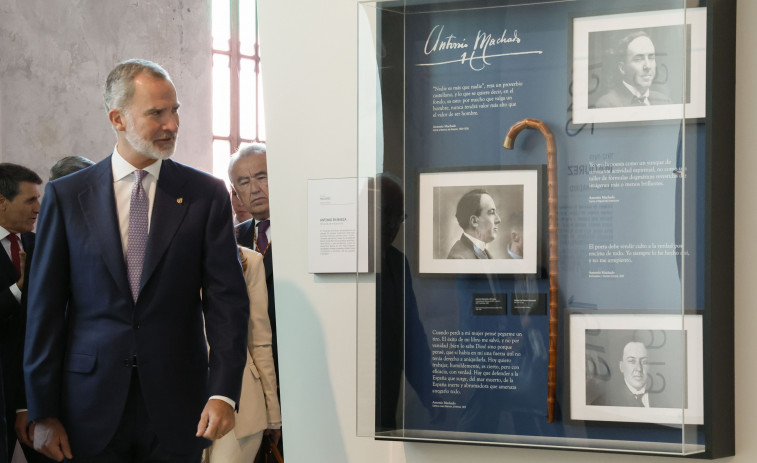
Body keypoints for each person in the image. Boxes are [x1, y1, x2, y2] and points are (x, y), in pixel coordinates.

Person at [23, 59, 250, 462]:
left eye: (175, 110)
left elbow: (227, 303)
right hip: (86, 407)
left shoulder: (205, 195)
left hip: (180, 406)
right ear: (118, 118)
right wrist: (41, 411)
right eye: (157, 113)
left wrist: (223, 392)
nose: (172, 125)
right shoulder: (67, 197)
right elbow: (44, 310)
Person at [204, 246, 281, 462]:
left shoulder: (250, 260)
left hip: (242, 401)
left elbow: (259, 341)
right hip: (180, 395)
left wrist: (273, 415)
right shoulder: (162, 256)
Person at [0, 163, 51, 463]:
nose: (38, 208)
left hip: (37, 391)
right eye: (30, 200)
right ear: (2, 201)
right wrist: (20, 288)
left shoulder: (39, 244)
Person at [594, 31, 672, 108]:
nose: (647, 66)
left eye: (651, 58)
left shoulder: (664, 101)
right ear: (622, 68)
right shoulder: (607, 104)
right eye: (638, 59)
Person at [592, 341, 651, 407]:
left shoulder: (662, 397)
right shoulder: (604, 401)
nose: (639, 368)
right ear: (621, 366)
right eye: (632, 361)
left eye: (644, 362)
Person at [447, 189, 501, 259]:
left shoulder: (483, 251)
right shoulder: (458, 258)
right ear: (474, 221)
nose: (498, 220)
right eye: (491, 212)